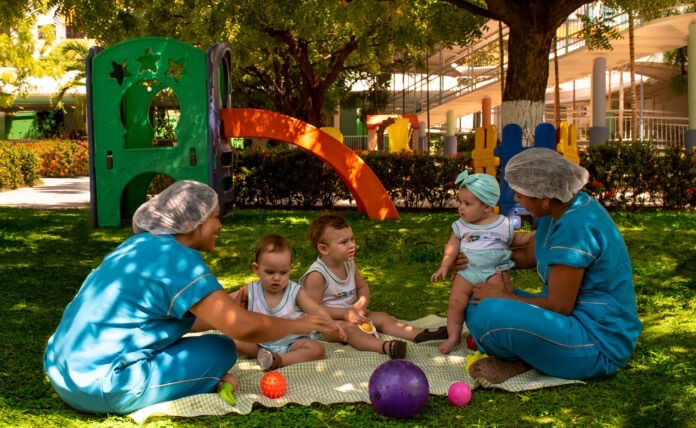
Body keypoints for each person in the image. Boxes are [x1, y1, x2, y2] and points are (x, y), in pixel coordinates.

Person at [43, 180, 338, 415]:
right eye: (215, 218)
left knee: (211, 339)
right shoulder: (179, 259)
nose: (219, 227)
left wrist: (225, 305)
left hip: (63, 372)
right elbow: (243, 328)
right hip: (102, 387)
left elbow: (178, 319)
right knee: (221, 349)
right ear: (193, 222)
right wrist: (299, 324)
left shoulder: (136, 246)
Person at [462, 148, 642, 383]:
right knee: (474, 299)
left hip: (597, 344)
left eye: (520, 194)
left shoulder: (576, 227)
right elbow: (530, 254)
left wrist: (504, 296)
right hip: (567, 324)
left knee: (489, 311)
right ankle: (532, 354)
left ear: (545, 198)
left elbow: (559, 306)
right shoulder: (559, 210)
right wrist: (478, 258)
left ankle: (526, 358)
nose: (516, 198)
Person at [299, 213, 448, 359]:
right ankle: (385, 346)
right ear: (324, 249)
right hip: (325, 325)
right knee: (349, 330)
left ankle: (419, 334)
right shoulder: (317, 275)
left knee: (382, 318)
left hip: (354, 314)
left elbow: (362, 286)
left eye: (352, 239)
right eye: (344, 242)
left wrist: (362, 303)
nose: (352, 245)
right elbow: (313, 310)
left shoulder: (348, 263)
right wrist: (345, 314)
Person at [431, 170, 531, 354]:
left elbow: (516, 240)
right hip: (467, 271)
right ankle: (453, 336)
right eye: (460, 202)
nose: (461, 208)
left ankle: (503, 334)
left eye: (467, 204)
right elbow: (452, 246)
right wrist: (444, 265)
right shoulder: (461, 225)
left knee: (500, 298)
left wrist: (532, 237)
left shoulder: (503, 224)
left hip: (494, 272)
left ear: (486, 206)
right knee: (455, 301)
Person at [231, 234, 345, 370]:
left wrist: (330, 323)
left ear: (290, 269)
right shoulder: (250, 291)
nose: (277, 278)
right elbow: (222, 302)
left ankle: (279, 360)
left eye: (283, 272)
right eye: (270, 272)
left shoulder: (295, 292)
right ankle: (265, 356)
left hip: (292, 343)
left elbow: (315, 310)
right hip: (259, 344)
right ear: (257, 269)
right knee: (232, 341)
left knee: (317, 349)